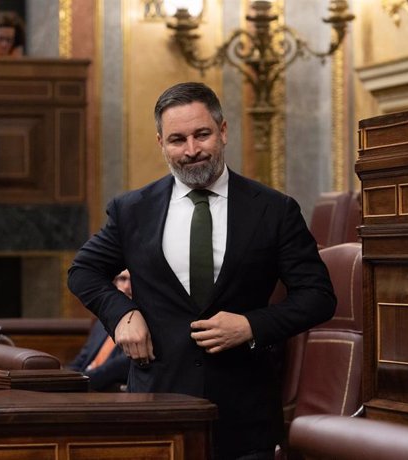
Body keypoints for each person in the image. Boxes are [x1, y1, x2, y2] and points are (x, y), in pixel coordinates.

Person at [67, 82, 336, 459]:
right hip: (157, 408)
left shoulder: (274, 210)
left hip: (245, 415)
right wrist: (123, 314)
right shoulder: (132, 210)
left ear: (223, 132)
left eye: (202, 135)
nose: (191, 150)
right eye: (177, 139)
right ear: (160, 142)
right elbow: (83, 271)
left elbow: (319, 297)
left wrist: (251, 326)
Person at [66, 270, 131, 391]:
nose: (127, 286)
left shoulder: (147, 324)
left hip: (103, 392)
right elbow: (82, 358)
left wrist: (75, 382)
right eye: (122, 279)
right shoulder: (102, 321)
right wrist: (62, 377)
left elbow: (118, 367)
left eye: (133, 281)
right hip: (83, 386)